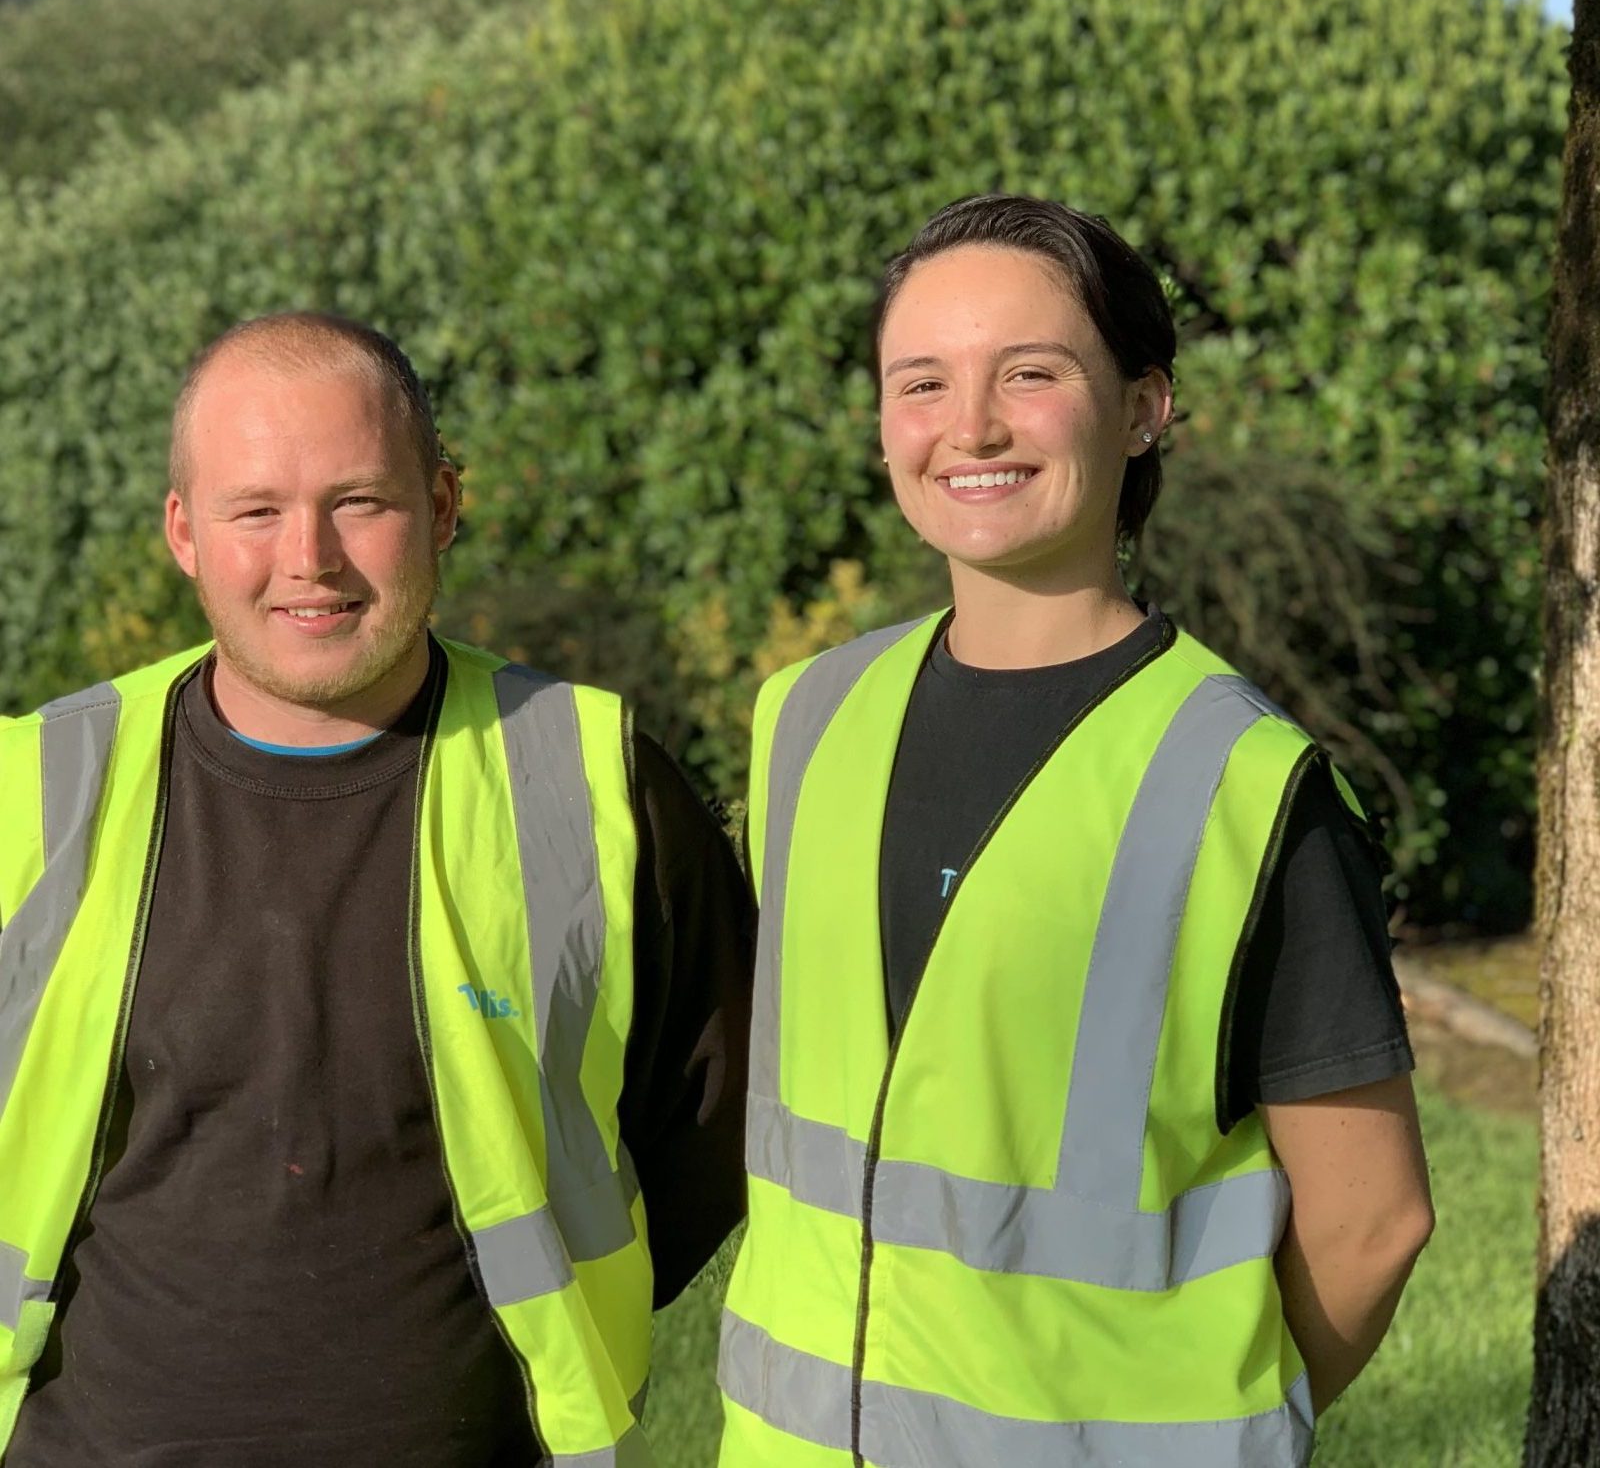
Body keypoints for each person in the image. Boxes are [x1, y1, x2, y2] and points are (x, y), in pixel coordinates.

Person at [717, 195, 1434, 1467]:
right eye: (920, 381)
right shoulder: (803, 720)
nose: (970, 427)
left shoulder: (1248, 787)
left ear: (1146, 406)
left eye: (1031, 374)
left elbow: (1371, 1222)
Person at [0, 313, 752, 1467]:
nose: (309, 555)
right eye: (256, 509)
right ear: (184, 532)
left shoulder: (591, 776)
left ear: (443, 507)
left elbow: (710, 1124)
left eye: (360, 502)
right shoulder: (34, 789)